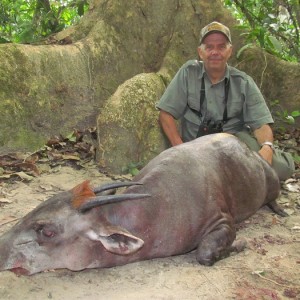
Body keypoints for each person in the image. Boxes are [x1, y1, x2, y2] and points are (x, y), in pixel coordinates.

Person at [156, 21, 295, 181]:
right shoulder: (188, 73)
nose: (215, 52)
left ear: (230, 51)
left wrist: (267, 147)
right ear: (200, 52)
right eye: (209, 47)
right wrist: (180, 149)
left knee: (281, 169)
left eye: (221, 47)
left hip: (234, 144)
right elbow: (166, 114)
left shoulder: (243, 82)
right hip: (196, 145)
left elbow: (261, 123)